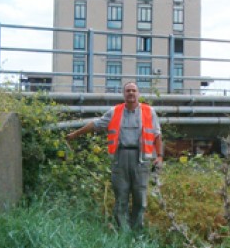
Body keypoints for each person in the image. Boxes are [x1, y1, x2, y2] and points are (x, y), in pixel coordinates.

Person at [66, 82, 163, 230]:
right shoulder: (114, 111)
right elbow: (96, 124)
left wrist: (160, 156)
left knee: (140, 197)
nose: (131, 93)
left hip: (141, 159)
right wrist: (74, 134)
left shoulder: (149, 111)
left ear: (138, 93)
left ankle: (137, 231)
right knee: (121, 195)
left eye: (134, 90)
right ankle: (124, 231)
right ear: (124, 94)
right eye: (128, 91)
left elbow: (157, 135)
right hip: (120, 158)